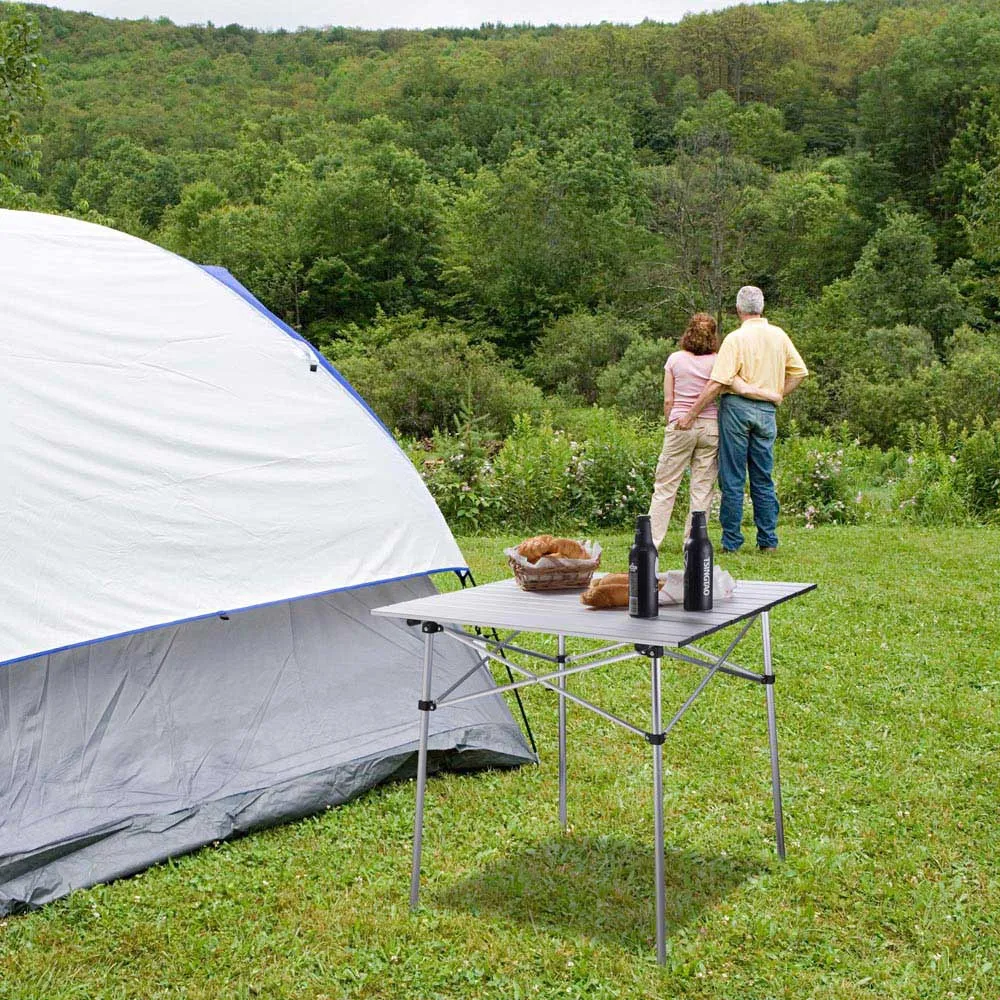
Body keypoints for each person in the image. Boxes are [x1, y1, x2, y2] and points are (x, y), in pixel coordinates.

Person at [676, 286, 808, 553]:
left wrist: (692, 413)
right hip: (767, 411)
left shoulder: (735, 339)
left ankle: (732, 542)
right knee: (763, 477)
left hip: (737, 409)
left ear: (738, 310)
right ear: (762, 308)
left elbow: (718, 382)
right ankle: (768, 540)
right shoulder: (779, 336)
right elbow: (799, 372)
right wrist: (776, 393)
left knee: (733, 477)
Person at [648, 312, 781, 550]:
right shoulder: (719, 360)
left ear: (688, 333)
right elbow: (733, 387)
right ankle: (693, 541)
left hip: (680, 425)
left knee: (666, 485)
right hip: (710, 427)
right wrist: (771, 395)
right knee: (702, 488)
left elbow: (668, 400)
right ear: (713, 336)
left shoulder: (674, 360)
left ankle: (652, 541)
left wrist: (674, 422)